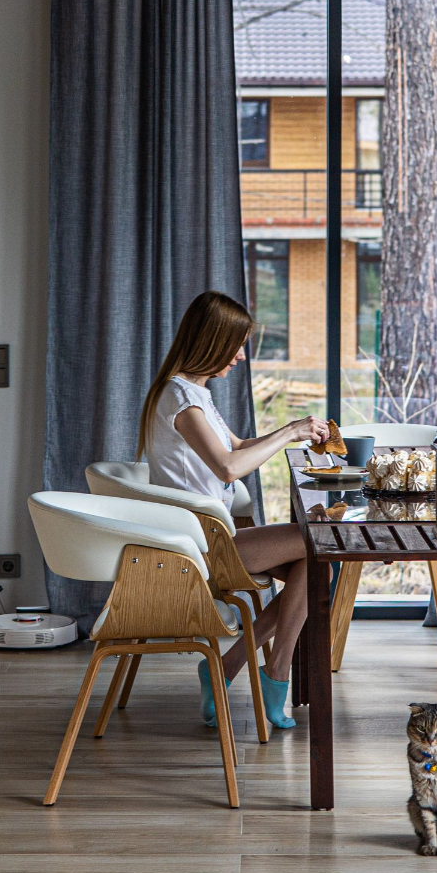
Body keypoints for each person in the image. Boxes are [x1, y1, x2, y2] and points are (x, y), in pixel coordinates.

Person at [139, 290, 327, 731]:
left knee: (317, 562)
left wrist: (294, 433)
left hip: (211, 535)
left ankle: (242, 668)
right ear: (211, 342)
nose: (241, 356)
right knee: (319, 544)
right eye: (236, 346)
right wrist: (289, 432)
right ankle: (264, 673)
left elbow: (237, 446)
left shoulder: (194, 393)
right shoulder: (180, 398)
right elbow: (227, 466)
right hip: (198, 546)